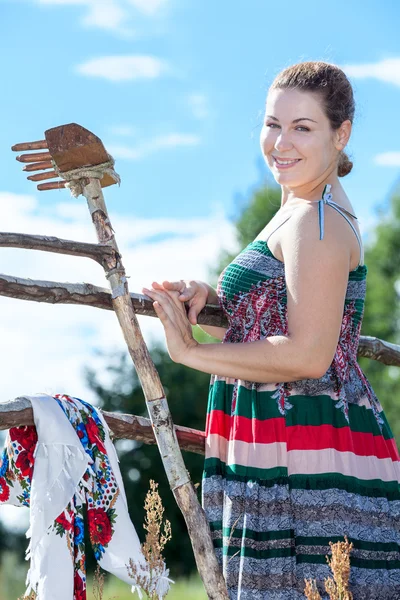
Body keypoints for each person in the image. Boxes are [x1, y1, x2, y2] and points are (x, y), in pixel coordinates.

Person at [142, 61, 400, 599]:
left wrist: (188, 351)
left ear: (341, 134)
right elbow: (279, 319)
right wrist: (216, 302)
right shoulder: (297, 207)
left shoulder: (316, 219)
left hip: (305, 445)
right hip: (282, 436)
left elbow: (307, 354)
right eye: (272, 123)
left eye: (302, 127)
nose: (280, 142)